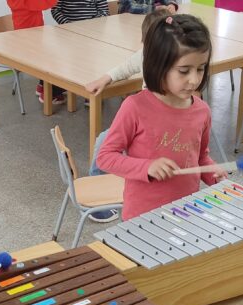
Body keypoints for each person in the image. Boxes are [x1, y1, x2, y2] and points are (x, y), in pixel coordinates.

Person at [96, 14, 226, 221]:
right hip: (142, 218)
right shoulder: (135, 107)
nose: (194, 80)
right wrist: (146, 167)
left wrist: (213, 174)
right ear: (159, 65)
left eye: (200, 69)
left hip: (185, 213)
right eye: (184, 71)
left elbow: (200, 158)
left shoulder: (202, 111)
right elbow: (105, 157)